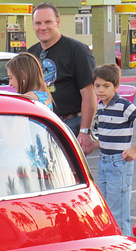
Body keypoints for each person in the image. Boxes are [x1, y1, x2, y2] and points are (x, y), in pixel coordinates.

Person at [91, 64, 136, 236]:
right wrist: (93, 144)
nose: (101, 90)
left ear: (116, 86)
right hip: (103, 162)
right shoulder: (101, 107)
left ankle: (125, 249)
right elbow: (107, 134)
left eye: (106, 86)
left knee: (119, 212)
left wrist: (135, 149)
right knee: (106, 210)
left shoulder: (124, 106)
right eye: (97, 86)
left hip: (118, 164)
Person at [28, 2, 96, 154]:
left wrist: (85, 131)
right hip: (41, 125)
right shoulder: (31, 54)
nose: (42, 27)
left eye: (48, 22)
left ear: (58, 22)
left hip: (70, 125)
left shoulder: (77, 50)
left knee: (68, 175)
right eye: (38, 23)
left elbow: (89, 94)